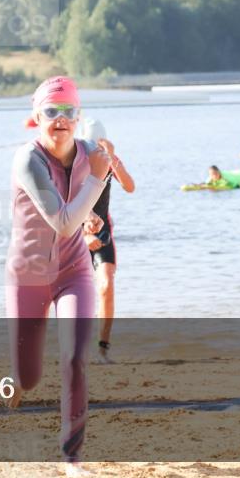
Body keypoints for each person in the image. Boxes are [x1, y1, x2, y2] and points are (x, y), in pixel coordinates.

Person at [6, 76, 111, 474]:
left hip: (73, 271)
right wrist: (97, 181)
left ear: (78, 116)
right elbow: (63, 221)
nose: (61, 119)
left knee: (74, 357)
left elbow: (75, 220)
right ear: (37, 117)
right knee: (29, 379)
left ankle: (72, 457)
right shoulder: (27, 159)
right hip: (29, 274)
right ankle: (16, 379)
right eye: (52, 112)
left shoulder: (89, 153)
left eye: (69, 112)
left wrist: (92, 214)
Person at [78, 119, 135, 365]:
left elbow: (130, 187)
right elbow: (64, 206)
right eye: (92, 147)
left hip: (102, 232)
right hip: (74, 232)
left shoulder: (108, 159)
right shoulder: (74, 161)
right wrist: (84, 234)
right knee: (73, 292)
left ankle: (102, 348)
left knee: (106, 284)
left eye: (99, 147)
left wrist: (113, 158)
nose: (95, 152)